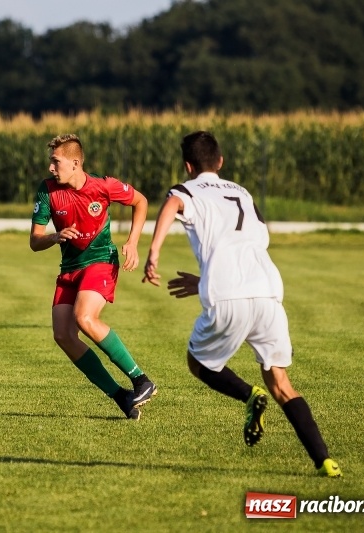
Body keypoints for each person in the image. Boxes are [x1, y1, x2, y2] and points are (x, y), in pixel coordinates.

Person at [142, 130, 342, 477]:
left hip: (228, 297)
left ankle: (249, 396)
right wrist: (206, 280)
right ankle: (325, 461)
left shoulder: (187, 190)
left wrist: (153, 253)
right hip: (268, 293)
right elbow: (248, 243)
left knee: (197, 362)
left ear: (188, 165)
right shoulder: (243, 193)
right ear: (219, 162)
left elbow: (173, 203)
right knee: (281, 382)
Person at [30, 133, 157, 420]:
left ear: (75, 163)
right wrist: (55, 236)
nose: (51, 168)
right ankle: (121, 396)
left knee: (84, 317)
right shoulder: (47, 190)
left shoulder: (103, 186)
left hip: (100, 261)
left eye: (56, 162)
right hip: (69, 269)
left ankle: (141, 380)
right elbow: (35, 241)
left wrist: (133, 241)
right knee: (62, 335)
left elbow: (141, 201)